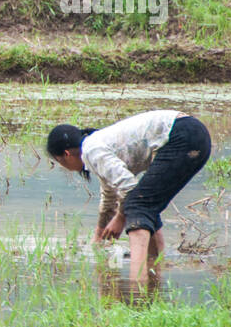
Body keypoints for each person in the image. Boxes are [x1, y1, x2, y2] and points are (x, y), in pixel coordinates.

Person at [47, 111, 212, 282]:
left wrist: (120, 218)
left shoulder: (92, 150)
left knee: (137, 205)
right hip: (193, 135)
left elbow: (128, 187)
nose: (64, 167)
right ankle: (155, 274)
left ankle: (137, 286)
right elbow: (110, 192)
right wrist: (99, 233)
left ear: (66, 154)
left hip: (181, 135)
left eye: (60, 162)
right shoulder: (95, 147)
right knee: (146, 206)